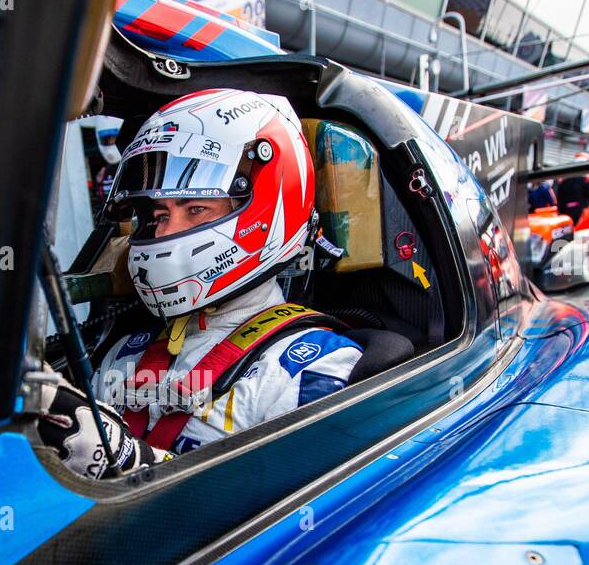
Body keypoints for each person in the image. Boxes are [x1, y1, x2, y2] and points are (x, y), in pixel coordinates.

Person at [38, 89, 364, 479]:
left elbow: (277, 524)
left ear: (264, 208)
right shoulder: (124, 353)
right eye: (158, 214)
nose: (166, 232)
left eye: (195, 209)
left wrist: (130, 462)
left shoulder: (311, 366)